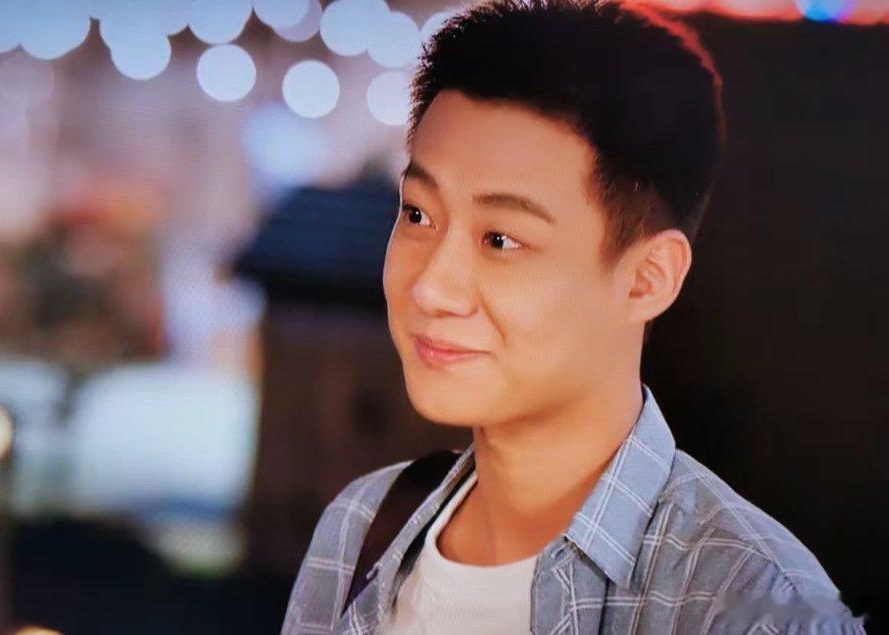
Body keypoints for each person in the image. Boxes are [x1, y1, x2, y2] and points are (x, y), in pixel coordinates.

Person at [281, 0, 867, 632]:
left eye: (500, 239)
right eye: (418, 213)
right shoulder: (360, 528)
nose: (430, 288)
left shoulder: (755, 603)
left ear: (647, 278)